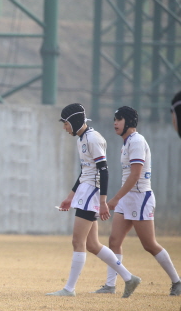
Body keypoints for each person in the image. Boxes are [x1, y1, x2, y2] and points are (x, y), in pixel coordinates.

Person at [47, 103, 141, 298]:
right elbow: (85, 171)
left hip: (91, 194)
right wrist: (70, 197)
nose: (64, 128)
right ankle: (129, 278)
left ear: (74, 121)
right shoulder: (82, 139)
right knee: (92, 245)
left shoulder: (93, 138)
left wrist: (103, 201)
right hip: (85, 192)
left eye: (65, 123)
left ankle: (69, 289)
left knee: (77, 241)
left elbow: (103, 171)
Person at [94, 106, 181, 296]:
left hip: (140, 198)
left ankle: (177, 282)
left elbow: (135, 176)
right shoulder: (127, 142)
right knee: (114, 240)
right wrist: (120, 199)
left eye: (119, 119)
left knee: (149, 244)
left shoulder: (137, 141)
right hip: (127, 198)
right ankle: (110, 286)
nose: (115, 123)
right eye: (114, 119)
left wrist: (114, 199)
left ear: (129, 122)